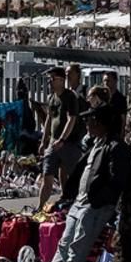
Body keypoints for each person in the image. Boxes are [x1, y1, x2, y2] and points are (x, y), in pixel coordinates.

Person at [55, 105, 126, 262]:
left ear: (101, 123)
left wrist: (97, 200)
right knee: (65, 243)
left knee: (77, 247)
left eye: (91, 119)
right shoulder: (96, 144)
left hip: (94, 205)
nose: (87, 123)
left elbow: (116, 181)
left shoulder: (115, 146)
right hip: (80, 201)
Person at [38, 66, 85, 210]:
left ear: (61, 80)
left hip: (69, 144)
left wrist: (63, 139)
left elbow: (72, 119)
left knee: (74, 177)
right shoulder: (52, 98)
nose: (50, 82)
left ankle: (77, 204)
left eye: (53, 79)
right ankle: (40, 207)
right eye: (49, 79)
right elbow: (49, 120)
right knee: (47, 176)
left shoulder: (71, 97)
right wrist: (44, 140)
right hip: (53, 143)